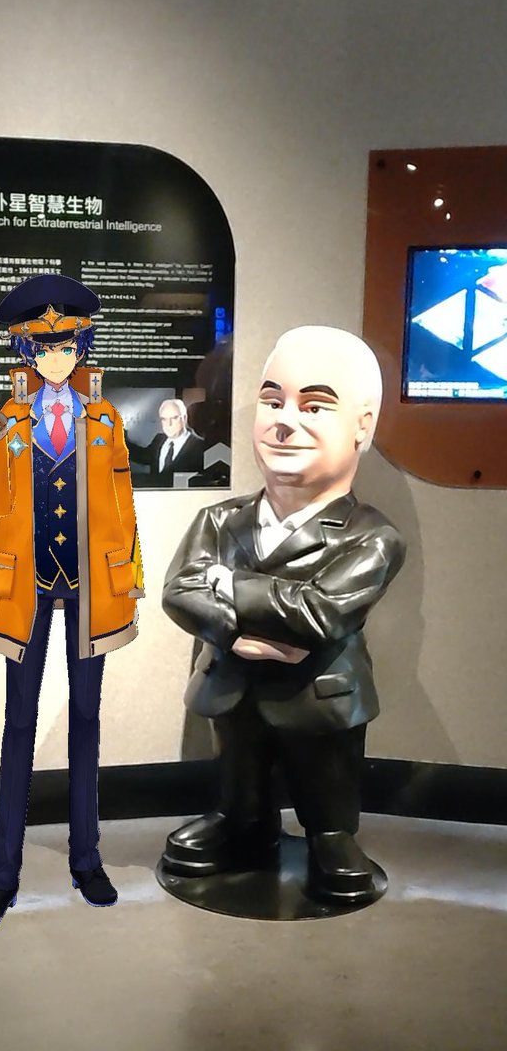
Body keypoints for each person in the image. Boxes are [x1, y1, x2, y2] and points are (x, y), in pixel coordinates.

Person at [160, 326, 406, 904]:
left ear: (362, 425)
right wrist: (235, 632)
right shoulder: (219, 520)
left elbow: (320, 615)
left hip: (321, 695)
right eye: (272, 402)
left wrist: (226, 584)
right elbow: (180, 592)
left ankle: (332, 835)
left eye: (314, 406)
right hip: (230, 684)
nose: (284, 421)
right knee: (237, 766)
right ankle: (240, 821)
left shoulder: (372, 537)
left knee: (327, 774)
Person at [0, 274, 144, 931]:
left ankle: (86, 860)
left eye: (67, 345)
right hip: (26, 585)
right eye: (44, 346)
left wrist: (129, 575)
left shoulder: (104, 417)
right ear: (26, 350)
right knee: (19, 724)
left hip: (91, 586)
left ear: (82, 346)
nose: (57, 357)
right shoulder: (9, 420)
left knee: (86, 720)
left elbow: (123, 505)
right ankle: (1, 875)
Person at [128, 397, 205, 485]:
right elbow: (142, 456)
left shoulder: (201, 447)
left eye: (174, 418)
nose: (169, 424)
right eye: (164, 419)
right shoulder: (159, 440)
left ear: (184, 418)